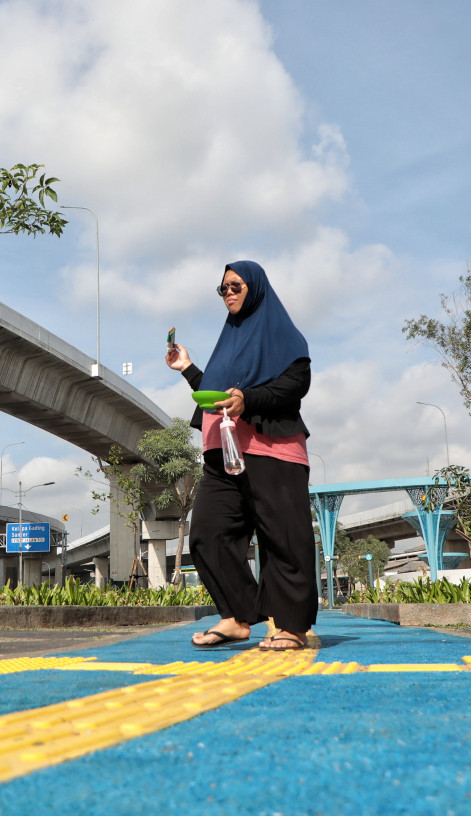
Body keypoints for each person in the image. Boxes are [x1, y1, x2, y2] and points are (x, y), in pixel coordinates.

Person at [166, 261, 315, 652]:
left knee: (281, 539)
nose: (228, 293)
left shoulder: (280, 333)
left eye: (236, 286)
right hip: (222, 454)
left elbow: (296, 382)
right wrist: (187, 369)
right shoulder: (228, 340)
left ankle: (291, 625)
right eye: (223, 289)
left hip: (272, 449)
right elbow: (219, 394)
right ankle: (236, 616)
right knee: (208, 534)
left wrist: (249, 399)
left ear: (256, 288)